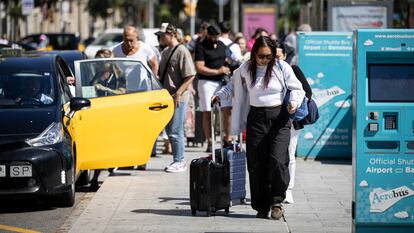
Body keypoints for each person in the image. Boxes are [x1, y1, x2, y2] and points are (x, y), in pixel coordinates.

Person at [229, 36, 305, 219]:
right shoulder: (246, 68)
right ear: (254, 53)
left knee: (278, 160)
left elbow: (298, 88)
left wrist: (293, 102)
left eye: (269, 56)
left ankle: (277, 201)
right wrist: (219, 96)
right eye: (261, 56)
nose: (265, 60)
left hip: (279, 117)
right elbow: (232, 85)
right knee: (256, 163)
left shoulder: (281, 67)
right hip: (256, 118)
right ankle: (261, 205)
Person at [275, 41, 312, 204]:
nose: (276, 60)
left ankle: (288, 189)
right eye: (272, 56)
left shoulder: (294, 70)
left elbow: (308, 93)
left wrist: (293, 103)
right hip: (269, 119)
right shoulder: (264, 72)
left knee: (289, 155)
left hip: (290, 120)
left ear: (284, 55)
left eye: (278, 56)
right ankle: (274, 188)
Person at [155, 23, 196, 173]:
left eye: (162, 35)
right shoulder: (166, 51)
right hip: (167, 96)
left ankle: (180, 160)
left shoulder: (182, 51)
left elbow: (190, 75)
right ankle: (176, 159)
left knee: (176, 130)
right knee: (170, 129)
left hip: (178, 97)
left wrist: (179, 92)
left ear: (171, 34)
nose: (160, 38)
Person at [195, 25, 231, 152]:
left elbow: (228, 59)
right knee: (208, 112)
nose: (215, 38)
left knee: (227, 109)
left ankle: (228, 138)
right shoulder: (201, 46)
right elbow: (199, 67)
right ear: (208, 35)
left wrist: (228, 66)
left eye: (217, 36)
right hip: (206, 82)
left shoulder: (221, 45)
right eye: (213, 36)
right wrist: (217, 71)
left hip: (222, 82)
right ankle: (210, 141)